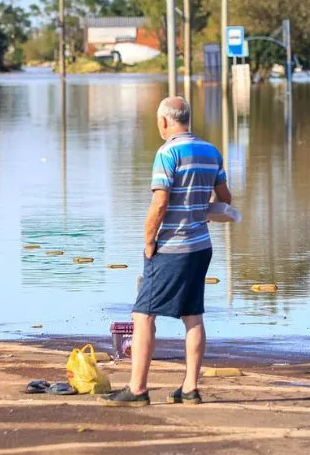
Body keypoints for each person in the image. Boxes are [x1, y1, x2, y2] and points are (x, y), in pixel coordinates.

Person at [102, 96, 231, 406]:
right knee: (193, 316)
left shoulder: (167, 153)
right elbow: (225, 199)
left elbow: (160, 203)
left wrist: (149, 243)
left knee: (143, 313)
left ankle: (137, 389)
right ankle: (189, 388)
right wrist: (198, 208)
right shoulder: (211, 152)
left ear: (164, 121)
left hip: (171, 247)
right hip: (201, 246)